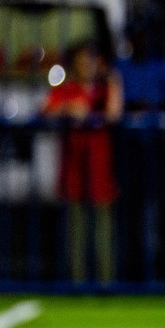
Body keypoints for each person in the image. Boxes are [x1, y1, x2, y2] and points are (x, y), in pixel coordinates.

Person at [42, 42, 123, 286]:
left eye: (92, 59)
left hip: (100, 168)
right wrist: (68, 109)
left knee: (103, 230)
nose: (87, 64)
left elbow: (114, 114)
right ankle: (76, 285)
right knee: (75, 230)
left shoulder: (104, 90)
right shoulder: (68, 90)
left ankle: (106, 284)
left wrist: (114, 80)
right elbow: (45, 111)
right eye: (82, 59)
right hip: (74, 170)